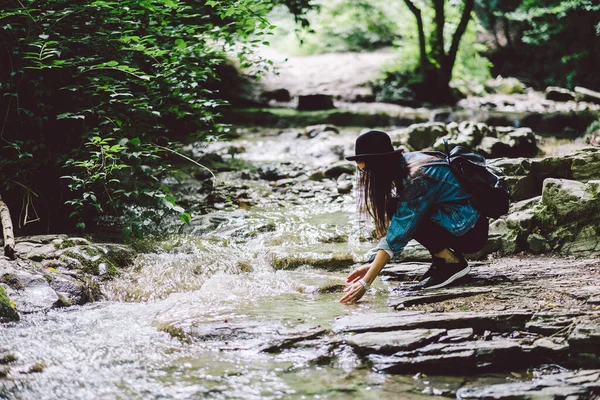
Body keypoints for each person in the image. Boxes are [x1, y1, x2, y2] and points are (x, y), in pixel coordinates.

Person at [340, 130, 489, 304]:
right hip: (463, 222)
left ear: (378, 163)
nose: (366, 176)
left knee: (404, 213)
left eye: (367, 171)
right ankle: (441, 260)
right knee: (397, 207)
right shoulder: (406, 163)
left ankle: (452, 263)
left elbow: (400, 232)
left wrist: (366, 283)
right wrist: (373, 266)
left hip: (471, 233)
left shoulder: (415, 178)